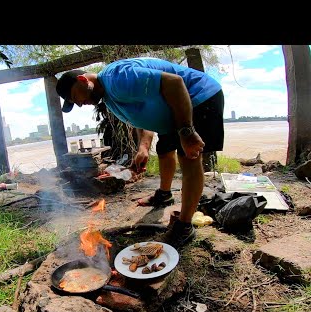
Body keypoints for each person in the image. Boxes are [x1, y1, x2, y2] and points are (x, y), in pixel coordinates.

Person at [55, 57, 224, 249]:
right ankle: (164, 195)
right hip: (172, 108)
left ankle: (185, 226)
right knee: (164, 149)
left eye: (74, 98)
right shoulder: (109, 98)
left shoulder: (118, 78)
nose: (79, 104)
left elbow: (174, 83)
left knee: (189, 158)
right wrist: (143, 149)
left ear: (83, 80)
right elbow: (142, 118)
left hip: (198, 96)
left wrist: (186, 131)